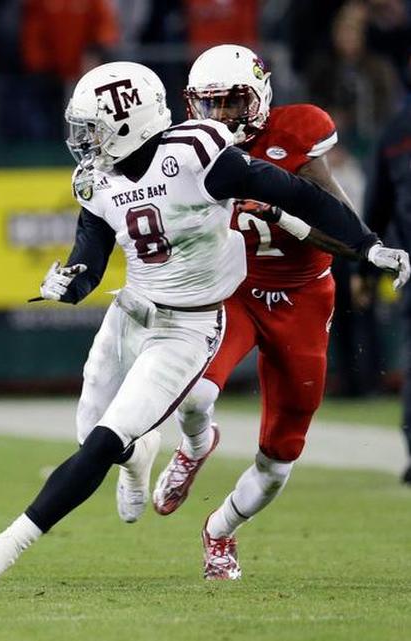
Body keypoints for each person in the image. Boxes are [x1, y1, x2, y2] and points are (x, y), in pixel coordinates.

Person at [0, 60, 407, 588]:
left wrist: (368, 246)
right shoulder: (95, 178)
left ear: (129, 123)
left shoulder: (197, 155)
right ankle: (142, 454)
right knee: (96, 437)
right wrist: (69, 282)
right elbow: (90, 255)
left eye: (95, 128)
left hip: (192, 325)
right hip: (130, 313)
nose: (85, 142)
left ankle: (3, 548)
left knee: (107, 441)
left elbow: (303, 196)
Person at [150, 44, 408, 580]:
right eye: (210, 103)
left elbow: (338, 224)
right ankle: (195, 447)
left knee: (280, 458)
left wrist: (352, 243)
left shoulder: (298, 132)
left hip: (304, 299)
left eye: (232, 101)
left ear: (260, 94)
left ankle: (219, 532)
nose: (220, 116)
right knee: (195, 391)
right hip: (236, 291)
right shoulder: (190, 149)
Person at [359, 53, 411, 486]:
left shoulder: (396, 133)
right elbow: (377, 209)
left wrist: (365, 272)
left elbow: (377, 207)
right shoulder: (395, 133)